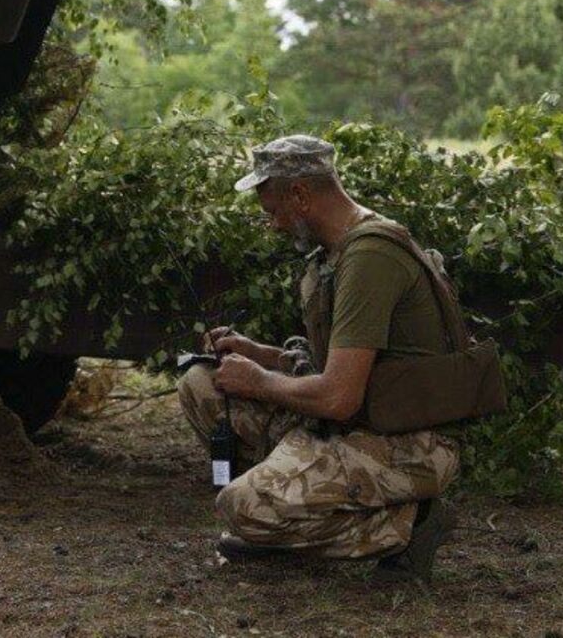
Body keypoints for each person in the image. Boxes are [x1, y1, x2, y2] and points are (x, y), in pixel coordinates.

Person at [176, 134, 462, 582]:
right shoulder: (335, 253)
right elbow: (339, 366)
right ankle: (290, 501)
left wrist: (257, 380)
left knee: (241, 507)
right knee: (201, 381)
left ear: (301, 195)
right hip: (355, 422)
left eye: (272, 211)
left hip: (406, 443)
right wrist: (262, 355)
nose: (273, 225)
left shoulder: (370, 257)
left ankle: (409, 524)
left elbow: (338, 397)